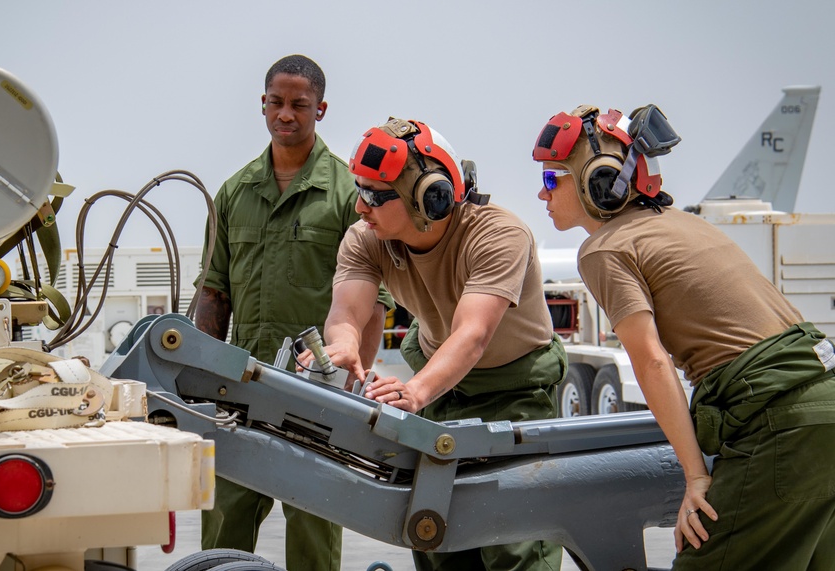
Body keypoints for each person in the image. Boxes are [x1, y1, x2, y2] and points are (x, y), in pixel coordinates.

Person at [532, 103, 835, 570]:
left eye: (553, 179)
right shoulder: (685, 223)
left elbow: (651, 362)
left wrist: (695, 477)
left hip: (779, 421)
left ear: (600, 180)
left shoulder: (604, 247)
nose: (540, 193)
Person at [312, 117, 567, 571]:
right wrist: (344, 344)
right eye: (359, 188)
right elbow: (347, 313)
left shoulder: (498, 235)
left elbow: (472, 334)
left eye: (375, 194)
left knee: (515, 541)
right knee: (436, 535)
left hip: (516, 394)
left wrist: (415, 392)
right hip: (442, 389)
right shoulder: (368, 238)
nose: (359, 206)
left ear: (430, 196)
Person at [194, 54, 389, 571]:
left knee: (314, 529)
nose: (286, 114)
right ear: (262, 105)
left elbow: (374, 308)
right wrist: (197, 384)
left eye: (299, 105)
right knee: (224, 525)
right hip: (240, 388)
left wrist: (349, 395)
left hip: (317, 395)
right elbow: (214, 294)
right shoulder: (234, 193)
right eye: (277, 103)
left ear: (320, 109)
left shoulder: (351, 194)